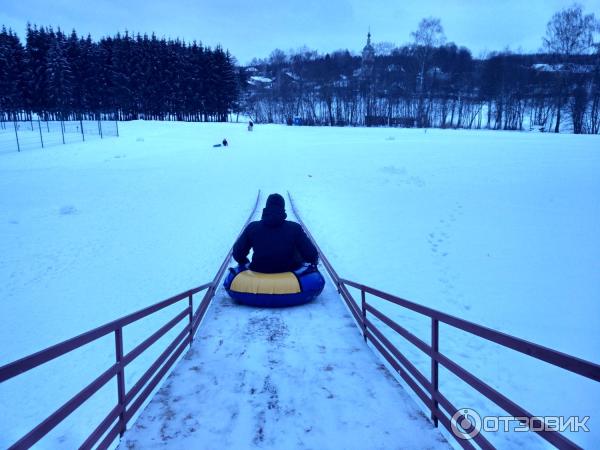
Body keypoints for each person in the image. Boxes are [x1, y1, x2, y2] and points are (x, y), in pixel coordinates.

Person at [233, 193, 318, 273]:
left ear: (266, 208)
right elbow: (311, 254)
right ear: (283, 209)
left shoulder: (252, 227)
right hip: (289, 274)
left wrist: (244, 261)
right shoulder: (294, 228)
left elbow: (237, 253)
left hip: (258, 271)